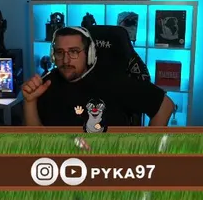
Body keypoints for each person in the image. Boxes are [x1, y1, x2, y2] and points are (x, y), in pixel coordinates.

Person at [22, 27, 173, 131]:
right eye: (60, 52)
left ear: (89, 54)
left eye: (74, 52)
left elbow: (165, 105)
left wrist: (148, 151)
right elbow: (37, 137)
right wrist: (30, 102)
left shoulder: (113, 81)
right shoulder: (47, 84)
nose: (66, 60)